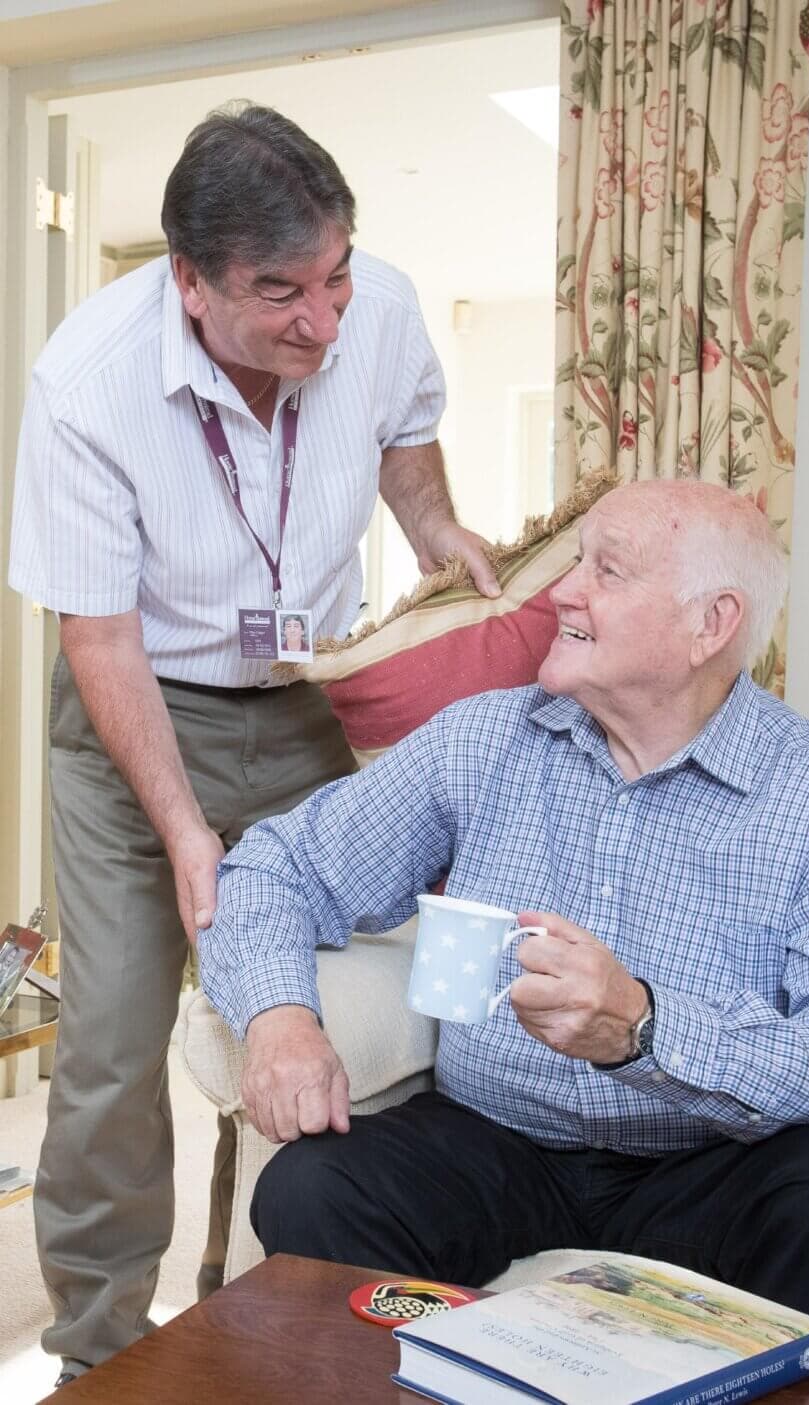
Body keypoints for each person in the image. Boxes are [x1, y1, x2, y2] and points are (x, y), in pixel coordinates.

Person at [200, 480, 809, 1371]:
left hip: (718, 1160)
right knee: (314, 1188)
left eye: (607, 570)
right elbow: (274, 866)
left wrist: (648, 1029)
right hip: (498, 1140)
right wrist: (280, 1016)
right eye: (575, 564)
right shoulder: (485, 740)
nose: (562, 592)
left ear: (710, 623)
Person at [7, 102, 498, 1387]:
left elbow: (406, 453)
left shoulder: (374, 309)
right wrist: (181, 832)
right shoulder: (87, 385)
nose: (322, 321)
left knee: (333, 998)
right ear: (189, 281)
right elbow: (100, 642)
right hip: (137, 715)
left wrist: (440, 537)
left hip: (305, 699)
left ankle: (293, 1310)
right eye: (281, 292)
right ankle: (99, 1349)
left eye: (334, 276)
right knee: (112, 1042)